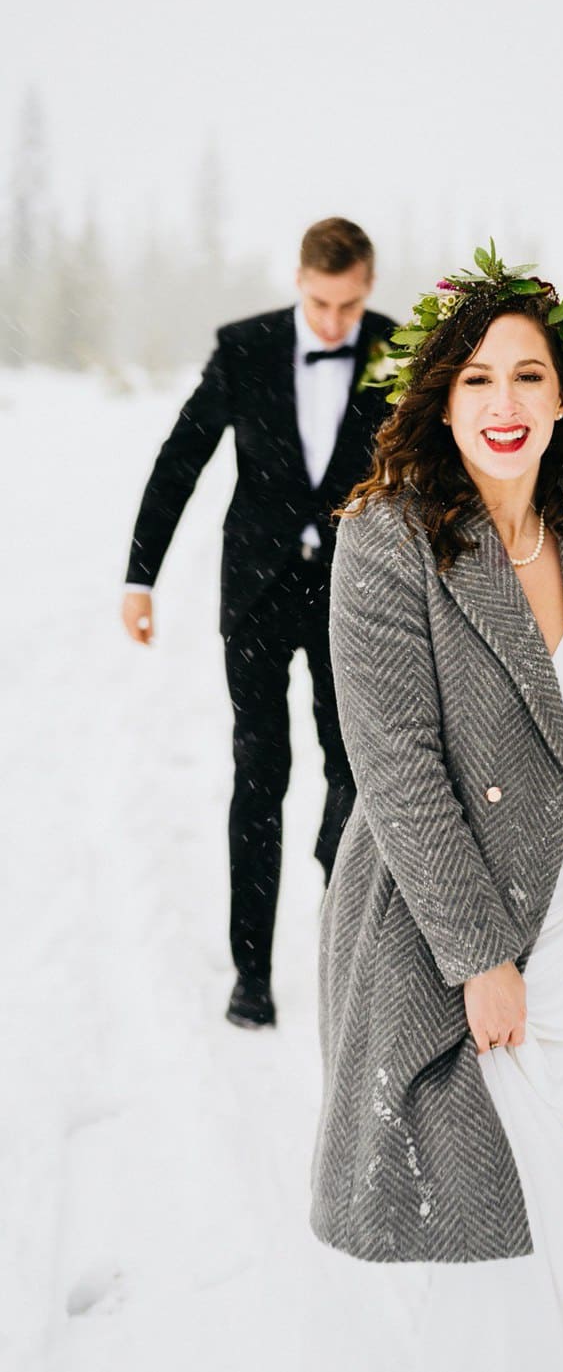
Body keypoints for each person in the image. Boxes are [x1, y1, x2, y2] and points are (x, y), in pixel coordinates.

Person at [306, 247, 563, 1365]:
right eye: (477, 378)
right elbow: (395, 766)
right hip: (453, 937)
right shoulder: (385, 539)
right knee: (491, 1263)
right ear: (440, 398)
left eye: (527, 376)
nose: (503, 403)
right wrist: (479, 954)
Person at [121, 217, 394, 1029]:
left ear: (368, 288)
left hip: (355, 594)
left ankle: (341, 929)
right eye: (320, 302)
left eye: (349, 305)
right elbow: (182, 458)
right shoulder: (244, 348)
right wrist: (141, 576)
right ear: (299, 280)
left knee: (355, 773)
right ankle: (252, 973)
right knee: (258, 776)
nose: (335, 321)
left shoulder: (398, 350)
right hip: (258, 596)